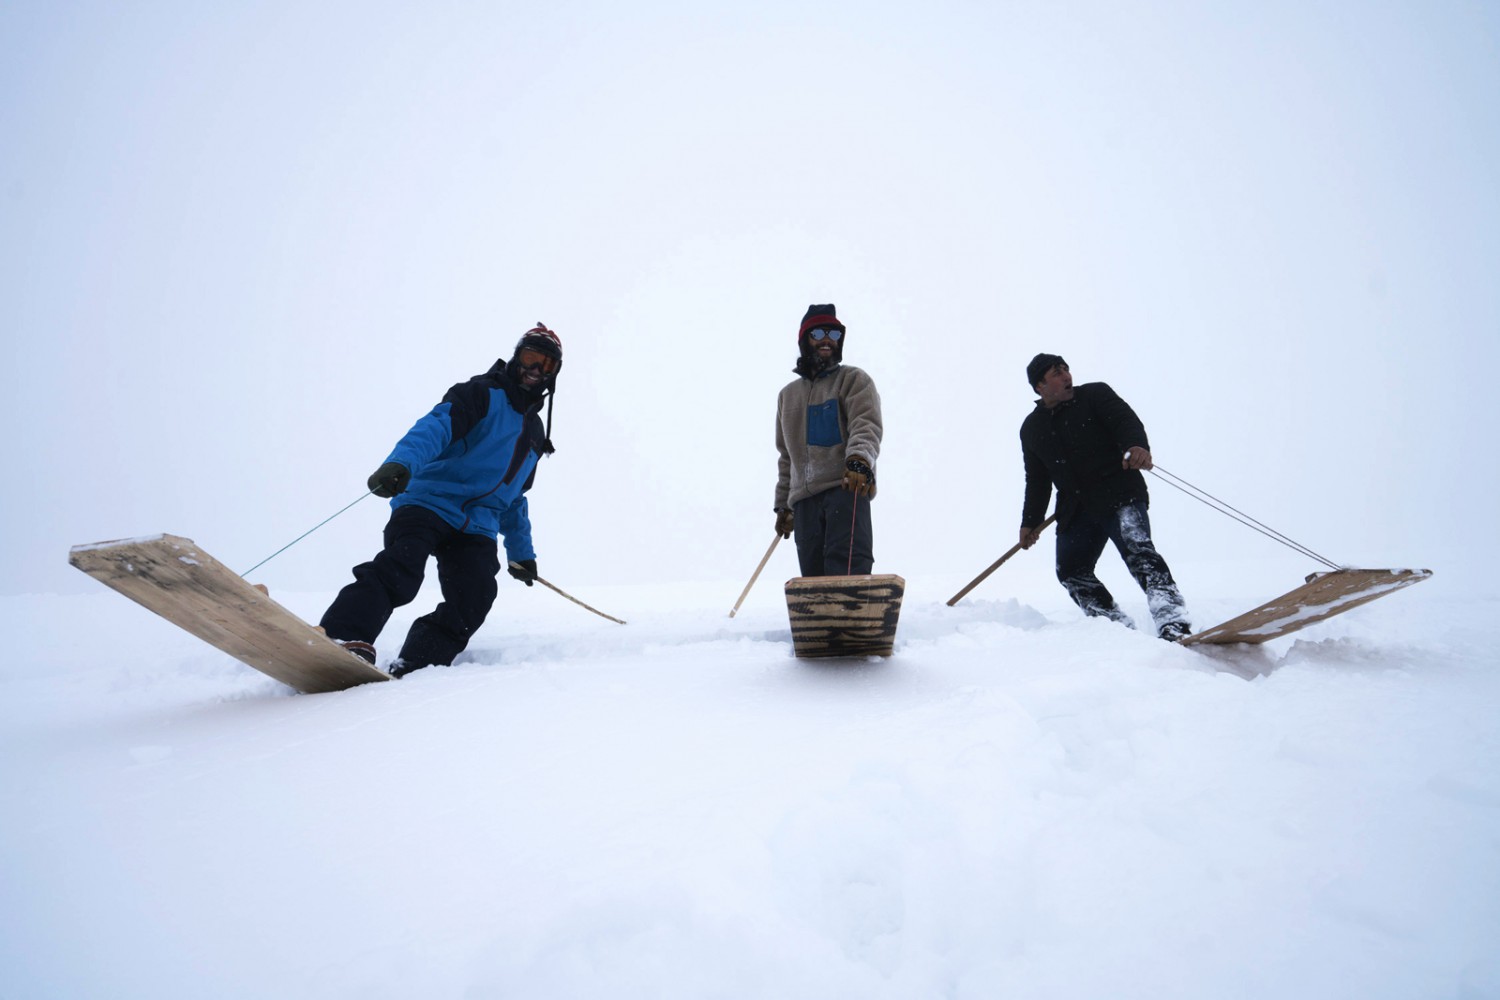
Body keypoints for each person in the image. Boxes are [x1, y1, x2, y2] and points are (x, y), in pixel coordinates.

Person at [319, 323, 564, 677]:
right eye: (530, 358)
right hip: (429, 503)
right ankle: (344, 636)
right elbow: (435, 428)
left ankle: (418, 665)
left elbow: (514, 498)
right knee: (401, 569)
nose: (536, 370)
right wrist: (400, 463)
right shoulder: (482, 393)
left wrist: (521, 553)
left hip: (476, 526)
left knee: (475, 596)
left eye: (547, 365)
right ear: (516, 357)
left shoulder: (535, 434)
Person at [1018, 353, 1191, 640]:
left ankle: (1174, 622)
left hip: (1118, 493)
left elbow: (1126, 423)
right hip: (1076, 508)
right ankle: (1115, 631)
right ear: (1040, 386)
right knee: (1072, 572)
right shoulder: (1031, 428)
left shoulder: (1095, 394)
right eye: (1056, 373)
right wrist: (1030, 522)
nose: (1066, 376)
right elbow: (1037, 480)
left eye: (1066, 369)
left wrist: (1136, 446)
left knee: (1139, 551)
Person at [774, 304, 884, 577]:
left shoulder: (853, 380)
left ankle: (853, 619)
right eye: (820, 332)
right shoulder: (788, 396)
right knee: (813, 579)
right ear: (804, 339)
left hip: (845, 488)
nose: (827, 340)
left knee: (846, 569)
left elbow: (866, 424)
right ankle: (820, 621)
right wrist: (784, 505)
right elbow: (786, 456)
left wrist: (859, 461)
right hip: (805, 502)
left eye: (834, 334)